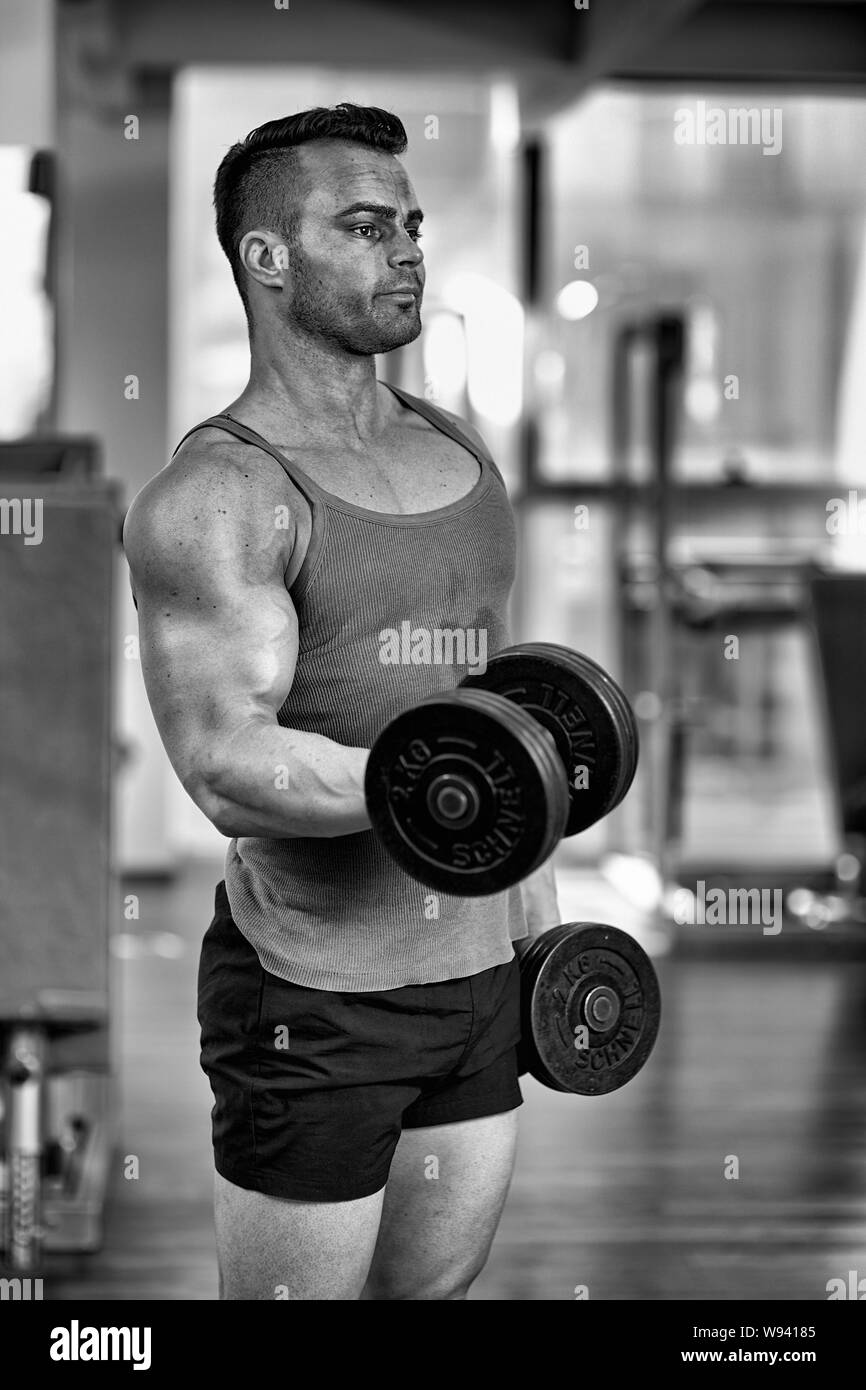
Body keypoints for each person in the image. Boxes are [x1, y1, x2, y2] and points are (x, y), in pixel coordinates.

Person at [123, 102, 559, 1300]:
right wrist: (444, 793)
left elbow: (501, 707)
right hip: (312, 1000)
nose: (407, 249)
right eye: (365, 227)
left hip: (477, 975)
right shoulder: (215, 497)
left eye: (409, 224)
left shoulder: (459, 453)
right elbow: (224, 762)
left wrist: (538, 931)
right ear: (267, 257)